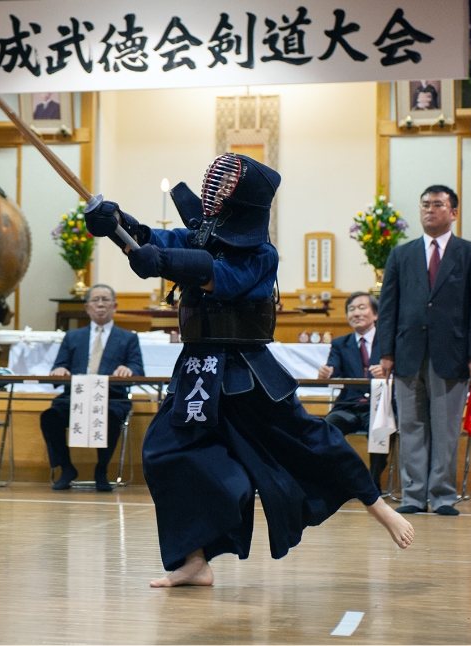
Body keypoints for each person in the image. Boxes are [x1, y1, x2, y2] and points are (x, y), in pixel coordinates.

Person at [84, 153, 414, 588]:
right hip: (198, 367)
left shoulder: (261, 255)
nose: (215, 191)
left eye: (226, 187)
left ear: (243, 199)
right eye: (216, 184)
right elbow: (158, 240)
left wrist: (160, 261)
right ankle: (197, 558)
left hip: (244, 370)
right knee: (164, 452)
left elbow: (217, 277)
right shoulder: (201, 235)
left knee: (308, 438)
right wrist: (118, 223)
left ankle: (379, 507)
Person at [376, 185, 471, 516]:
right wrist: (385, 353)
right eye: (425, 205)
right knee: (412, 425)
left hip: (453, 354)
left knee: (444, 428)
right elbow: (387, 307)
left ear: (453, 212)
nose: (430, 210)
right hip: (406, 353)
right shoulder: (401, 255)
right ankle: (413, 495)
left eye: (438, 205)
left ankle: (442, 495)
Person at [41, 284, 144, 492]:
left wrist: (128, 369)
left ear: (114, 306)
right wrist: (60, 370)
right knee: (50, 416)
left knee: (112, 415)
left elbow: (138, 369)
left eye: (105, 300)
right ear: (87, 307)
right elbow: (58, 366)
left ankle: (102, 470)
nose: (100, 305)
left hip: (111, 397)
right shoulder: (73, 336)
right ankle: (66, 468)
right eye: (95, 300)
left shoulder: (128, 338)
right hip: (75, 397)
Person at [318, 292, 390, 493]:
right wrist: (327, 373)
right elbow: (333, 370)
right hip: (348, 406)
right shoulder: (340, 343)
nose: (356, 313)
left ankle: (372, 484)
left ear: (375, 314)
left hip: (378, 406)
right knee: (329, 427)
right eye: (351, 309)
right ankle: (338, 481)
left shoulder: (387, 340)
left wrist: (387, 373)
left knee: (380, 428)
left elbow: (400, 371)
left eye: (361, 308)